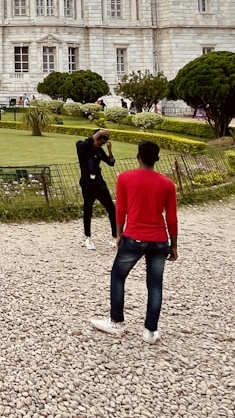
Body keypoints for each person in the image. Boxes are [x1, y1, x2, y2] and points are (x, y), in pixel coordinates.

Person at [90, 141, 178, 344]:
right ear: (156, 159)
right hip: (159, 239)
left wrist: (119, 234)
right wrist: (173, 244)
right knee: (155, 284)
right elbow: (171, 218)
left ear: (138, 157)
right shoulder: (167, 184)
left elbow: (121, 208)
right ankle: (150, 330)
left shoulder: (125, 178)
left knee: (118, 276)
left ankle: (117, 322)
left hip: (135, 236)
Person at [76, 129, 117, 250]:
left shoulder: (99, 150)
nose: (101, 144)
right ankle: (88, 237)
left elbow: (111, 163)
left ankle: (115, 236)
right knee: (88, 210)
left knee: (111, 209)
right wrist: (98, 134)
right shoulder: (82, 147)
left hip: (99, 183)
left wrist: (109, 151)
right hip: (87, 184)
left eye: (103, 143)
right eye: (100, 141)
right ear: (95, 138)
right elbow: (84, 144)